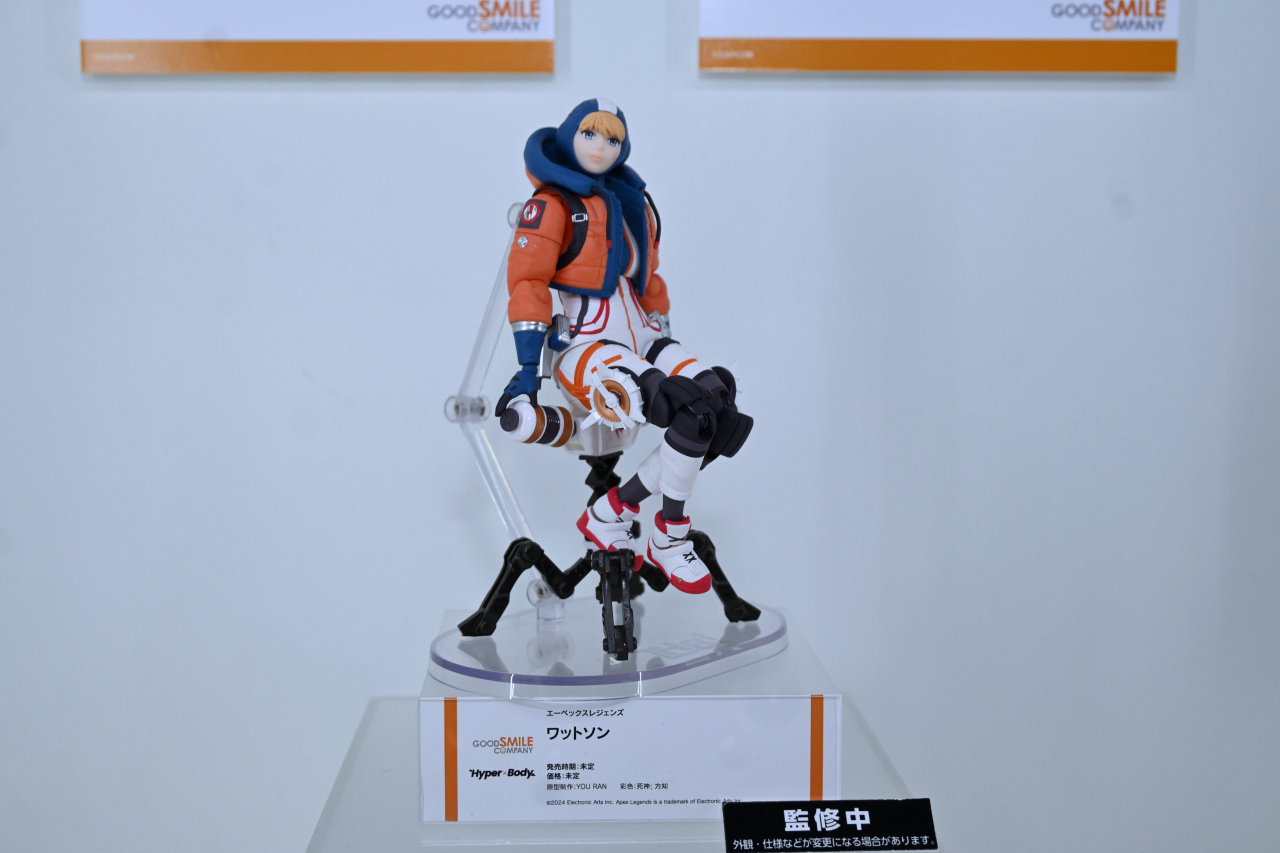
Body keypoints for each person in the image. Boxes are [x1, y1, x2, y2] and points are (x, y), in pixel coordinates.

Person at [495, 99, 751, 594]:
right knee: (682, 404)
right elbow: (527, 283)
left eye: (613, 139)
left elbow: (649, 283)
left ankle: (612, 509)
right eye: (590, 134)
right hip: (586, 344)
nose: (601, 146)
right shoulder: (553, 204)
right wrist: (528, 372)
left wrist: (667, 338)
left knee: (716, 401)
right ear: (569, 137)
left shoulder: (633, 203)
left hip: (643, 334)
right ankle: (670, 536)